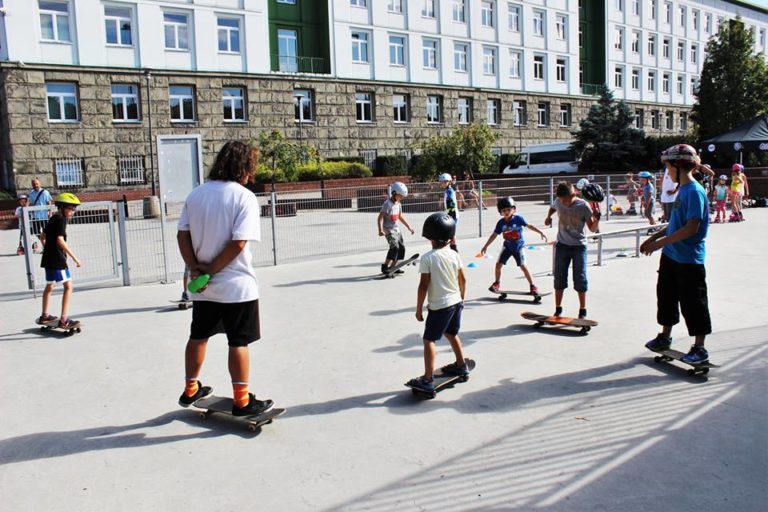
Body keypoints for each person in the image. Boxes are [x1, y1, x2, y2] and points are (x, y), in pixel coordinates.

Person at [176, 140, 273, 416]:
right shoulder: (243, 197)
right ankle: (242, 401)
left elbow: (182, 235)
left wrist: (195, 269)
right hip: (236, 286)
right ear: (244, 167)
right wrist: (210, 270)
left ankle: (190, 389)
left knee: (198, 336)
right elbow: (239, 243)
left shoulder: (196, 194)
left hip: (204, 288)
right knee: (238, 342)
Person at [641, 144, 712, 364]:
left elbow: (691, 228)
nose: (666, 171)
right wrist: (653, 238)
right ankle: (665, 336)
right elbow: (675, 222)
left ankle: (699, 348)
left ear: (678, 166)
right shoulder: (683, 190)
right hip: (671, 256)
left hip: (689, 259)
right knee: (666, 297)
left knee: (693, 302)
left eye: (668, 167)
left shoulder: (694, 192)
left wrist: (659, 243)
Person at [407, 212, 470, 393]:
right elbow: (463, 279)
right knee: (451, 333)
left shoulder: (428, 258)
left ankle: (427, 379)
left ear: (430, 237)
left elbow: (423, 286)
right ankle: (461, 365)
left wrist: (418, 309)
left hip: (440, 306)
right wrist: (461, 299)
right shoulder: (454, 254)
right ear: (450, 237)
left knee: (429, 340)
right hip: (456, 302)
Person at [544, 181, 600, 319]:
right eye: (561, 200)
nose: (563, 203)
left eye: (566, 200)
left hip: (579, 247)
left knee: (580, 279)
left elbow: (592, 229)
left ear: (573, 195)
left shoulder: (584, 206)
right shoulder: (558, 201)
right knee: (559, 279)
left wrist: (597, 219)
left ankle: (582, 310)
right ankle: (558, 309)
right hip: (562, 245)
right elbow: (553, 207)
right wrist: (548, 217)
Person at [480, 196, 548, 295]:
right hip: (507, 247)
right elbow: (494, 235)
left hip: (518, 247)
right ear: (500, 212)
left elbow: (529, 225)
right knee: (498, 265)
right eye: (504, 211)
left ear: (514, 209)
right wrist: (485, 246)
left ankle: (533, 286)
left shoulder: (518, 219)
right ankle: (496, 283)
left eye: (508, 209)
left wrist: (540, 232)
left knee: (523, 267)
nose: (506, 212)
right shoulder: (501, 223)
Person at [36, 193, 82, 329]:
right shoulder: (61, 219)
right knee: (68, 286)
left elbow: (42, 236)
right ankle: (64, 320)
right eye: (70, 208)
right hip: (58, 260)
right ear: (62, 207)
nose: (73, 211)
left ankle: (45, 315)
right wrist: (74, 258)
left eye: (74, 209)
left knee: (50, 286)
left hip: (48, 258)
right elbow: (60, 240)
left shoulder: (54, 218)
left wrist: (48, 249)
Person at [377, 181, 415, 274]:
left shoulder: (398, 204)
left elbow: (400, 217)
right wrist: (380, 230)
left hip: (397, 230)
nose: (402, 198)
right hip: (388, 230)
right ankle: (385, 266)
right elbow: (380, 218)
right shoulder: (387, 204)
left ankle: (394, 266)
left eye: (402, 197)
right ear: (394, 193)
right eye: (400, 196)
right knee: (394, 247)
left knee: (401, 248)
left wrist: (409, 227)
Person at [28, 177, 53, 253]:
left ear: (40, 184)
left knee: (47, 232)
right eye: (33, 184)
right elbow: (29, 203)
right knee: (36, 232)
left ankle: (47, 247)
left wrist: (50, 213)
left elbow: (49, 203)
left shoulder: (45, 192)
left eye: (36, 184)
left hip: (44, 216)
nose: (35, 185)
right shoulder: (31, 194)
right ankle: (45, 244)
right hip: (36, 216)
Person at [438, 173, 459, 252]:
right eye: (441, 182)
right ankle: (453, 248)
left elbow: (451, 204)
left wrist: (449, 215)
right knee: (451, 232)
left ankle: (453, 248)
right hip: (451, 213)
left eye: (444, 182)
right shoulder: (447, 190)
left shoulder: (449, 191)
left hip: (453, 214)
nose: (442, 183)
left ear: (449, 182)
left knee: (450, 232)